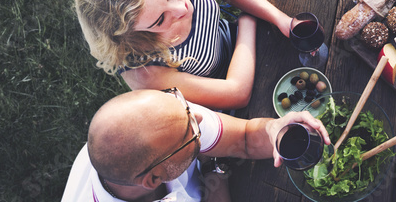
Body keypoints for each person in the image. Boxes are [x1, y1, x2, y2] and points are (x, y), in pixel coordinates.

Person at [75, 0, 293, 109]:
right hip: (237, 99)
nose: (181, 10)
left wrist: (280, 18)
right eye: (160, 20)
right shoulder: (144, 70)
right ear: (132, 35)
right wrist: (247, 21)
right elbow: (236, 94)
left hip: (249, 41)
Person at [61, 86, 329, 202]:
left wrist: (273, 128)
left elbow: (245, 139)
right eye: (190, 134)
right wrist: (217, 181)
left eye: (179, 102)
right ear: (154, 178)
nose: (199, 117)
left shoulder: (170, 118)